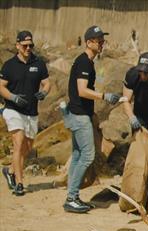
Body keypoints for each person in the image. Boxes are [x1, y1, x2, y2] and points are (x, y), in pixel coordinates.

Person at [62, 25, 122, 213]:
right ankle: (71, 197)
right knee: (87, 156)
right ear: (89, 42)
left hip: (79, 114)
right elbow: (81, 90)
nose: (102, 44)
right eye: (99, 41)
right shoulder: (84, 63)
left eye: (103, 41)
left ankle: (73, 196)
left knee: (78, 156)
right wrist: (104, 96)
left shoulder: (86, 61)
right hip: (79, 117)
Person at [0, 30, 50, 196]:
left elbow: (46, 83)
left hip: (31, 111)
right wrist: (13, 97)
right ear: (17, 45)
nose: (28, 48)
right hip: (13, 110)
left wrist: (44, 92)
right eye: (25, 45)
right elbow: (1, 86)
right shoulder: (9, 65)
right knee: (18, 143)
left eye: (31, 45)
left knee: (27, 148)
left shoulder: (39, 63)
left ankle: (10, 171)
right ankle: (19, 184)